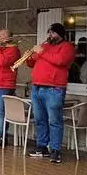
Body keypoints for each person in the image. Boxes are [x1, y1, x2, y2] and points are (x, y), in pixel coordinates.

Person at [26, 23, 76, 164]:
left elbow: (60, 61)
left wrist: (41, 52)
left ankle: (55, 150)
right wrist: (29, 57)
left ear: (60, 34)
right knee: (40, 119)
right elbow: (32, 64)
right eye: (49, 33)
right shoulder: (45, 46)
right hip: (37, 87)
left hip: (54, 89)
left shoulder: (67, 47)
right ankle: (42, 147)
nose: (50, 36)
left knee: (54, 121)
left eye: (53, 33)